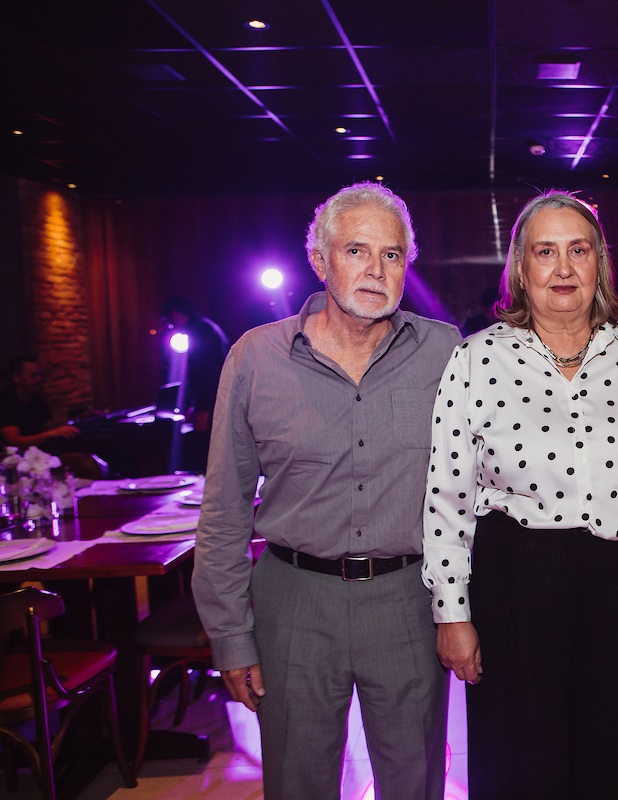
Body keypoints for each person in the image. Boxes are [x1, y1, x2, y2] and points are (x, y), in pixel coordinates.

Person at [192, 182, 461, 800]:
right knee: (298, 783)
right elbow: (225, 510)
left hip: (407, 602)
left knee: (414, 782)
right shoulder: (257, 358)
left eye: (392, 255)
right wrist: (231, 637)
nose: (375, 269)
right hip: (293, 603)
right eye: (356, 250)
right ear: (319, 259)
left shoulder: (446, 352)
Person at [423, 190, 618, 799]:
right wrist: (452, 613)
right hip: (517, 582)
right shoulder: (476, 359)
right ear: (521, 269)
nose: (563, 269)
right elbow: (447, 497)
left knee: (616, 757)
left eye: (578, 251)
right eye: (545, 252)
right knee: (519, 764)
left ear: (600, 265)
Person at [160, 295, 230, 471]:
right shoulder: (206, 327)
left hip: (213, 404)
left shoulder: (199, 331)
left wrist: (204, 409)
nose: (171, 326)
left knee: (207, 460)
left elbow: (208, 373)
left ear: (175, 315)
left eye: (169, 322)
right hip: (216, 401)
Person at [0, 355, 79, 458]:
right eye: (34, 375)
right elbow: (13, 442)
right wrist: (51, 434)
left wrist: (79, 419)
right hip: (10, 463)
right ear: (16, 378)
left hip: (38, 459)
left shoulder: (36, 399)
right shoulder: (3, 403)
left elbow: (49, 425)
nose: (39, 379)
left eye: (40, 374)